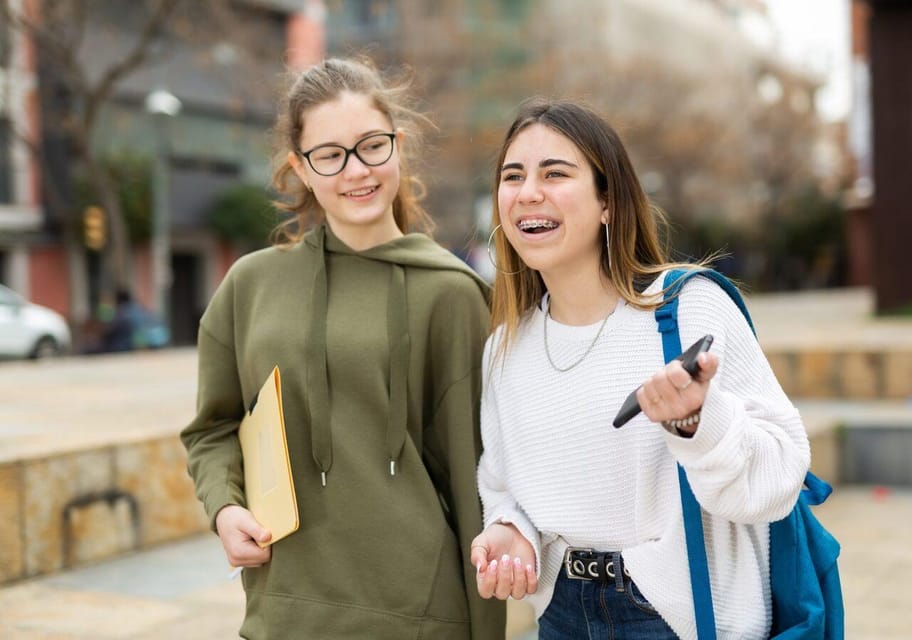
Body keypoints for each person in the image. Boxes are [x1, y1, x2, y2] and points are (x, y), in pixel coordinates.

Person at [180, 57, 505, 639]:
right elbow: (212, 430)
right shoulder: (250, 287)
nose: (356, 170)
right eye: (330, 155)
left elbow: (476, 480)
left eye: (371, 146)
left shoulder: (451, 295)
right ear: (299, 169)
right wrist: (225, 508)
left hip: (420, 617)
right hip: (284, 610)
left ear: (398, 146)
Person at [469, 98, 810, 639]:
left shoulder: (686, 308)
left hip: (679, 616)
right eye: (513, 176)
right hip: (561, 615)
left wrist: (698, 423)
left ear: (608, 202)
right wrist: (511, 530)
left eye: (555, 173)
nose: (528, 191)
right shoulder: (506, 347)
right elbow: (501, 483)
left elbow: (779, 477)